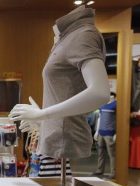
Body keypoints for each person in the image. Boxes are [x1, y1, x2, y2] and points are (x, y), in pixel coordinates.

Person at [9, 6, 110, 167]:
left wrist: (42, 114)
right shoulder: (66, 37)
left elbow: (100, 93)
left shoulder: (82, 35)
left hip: (67, 142)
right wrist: (42, 122)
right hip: (55, 138)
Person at [93, 92, 116, 178]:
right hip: (101, 132)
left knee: (112, 154)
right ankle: (99, 170)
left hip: (110, 133)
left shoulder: (116, 105)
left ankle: (113, 173)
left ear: (113, 97)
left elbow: (119, 119)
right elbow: (100, 118)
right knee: (100, 153)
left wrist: (116, 133)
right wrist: (97, 131)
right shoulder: (102, 104)